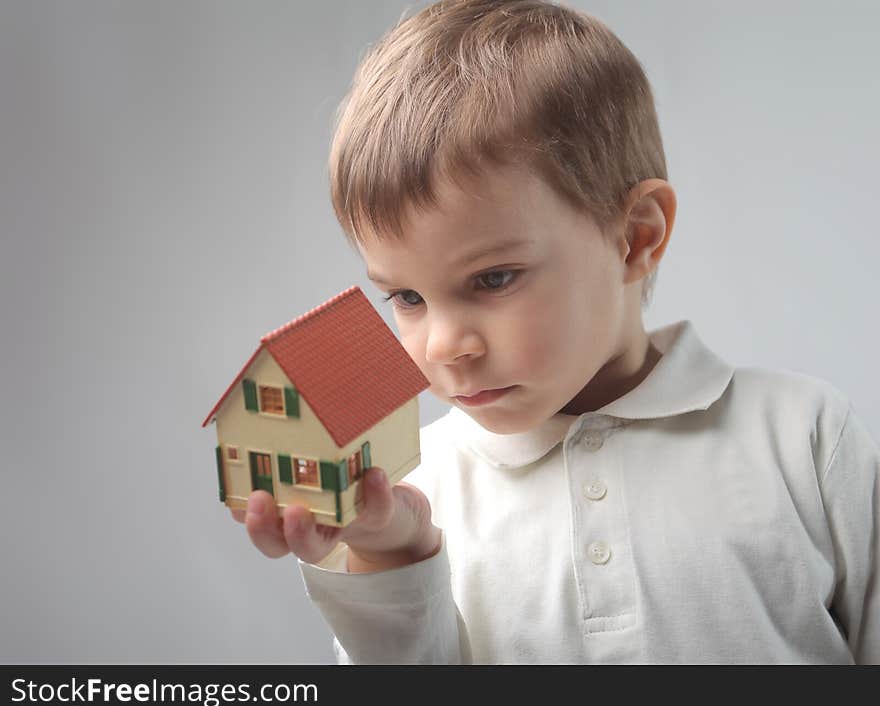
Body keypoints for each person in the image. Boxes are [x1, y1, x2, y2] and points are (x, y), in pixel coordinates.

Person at [232, 0, 879, 663]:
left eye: (492, 279)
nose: (442, 345)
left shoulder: (805, 438)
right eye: (407, 296)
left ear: (635, 238)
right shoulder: (409, 495)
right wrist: (393, 555)